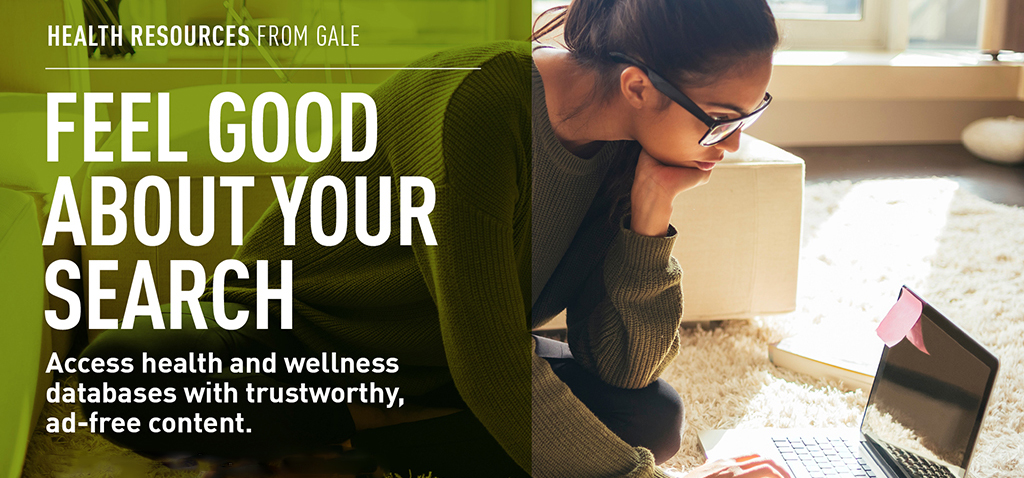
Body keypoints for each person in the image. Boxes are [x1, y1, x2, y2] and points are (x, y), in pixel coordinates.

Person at [77, 0, 791, 476]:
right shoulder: (476, 104)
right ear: (639, 85)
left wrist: (650, 214)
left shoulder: (632, 151)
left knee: (653, 414)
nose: (729, 145)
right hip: (303, 335)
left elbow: (622, 366)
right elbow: (493, 367)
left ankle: (352, 440)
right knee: (122, 381)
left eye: (749, 116)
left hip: (438, 361)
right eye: (722, 120)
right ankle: (366, 430)